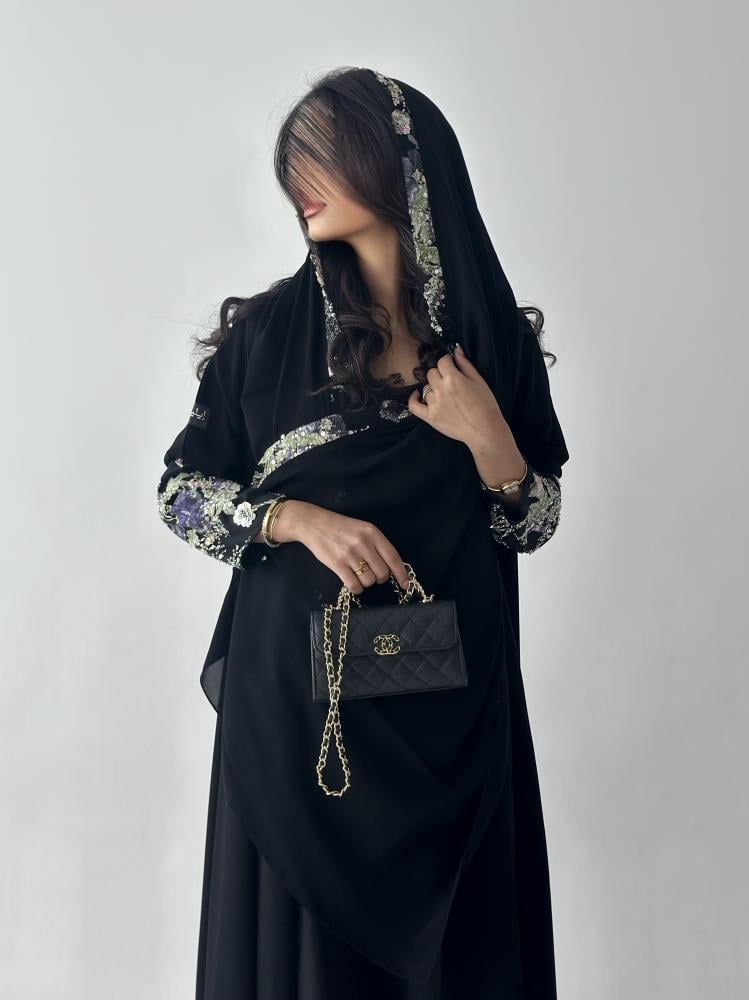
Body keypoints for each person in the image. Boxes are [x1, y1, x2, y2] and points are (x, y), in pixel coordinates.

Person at [156, 66, 570, 999]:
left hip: (453, 728)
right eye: (290, 162)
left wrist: (490, 440)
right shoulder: (267, 337)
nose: (297, 182)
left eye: (322, 156)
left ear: (400, 161)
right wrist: (295, 518)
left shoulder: (490, 345)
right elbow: (180, 494)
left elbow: (533, 522)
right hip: (302, 731)